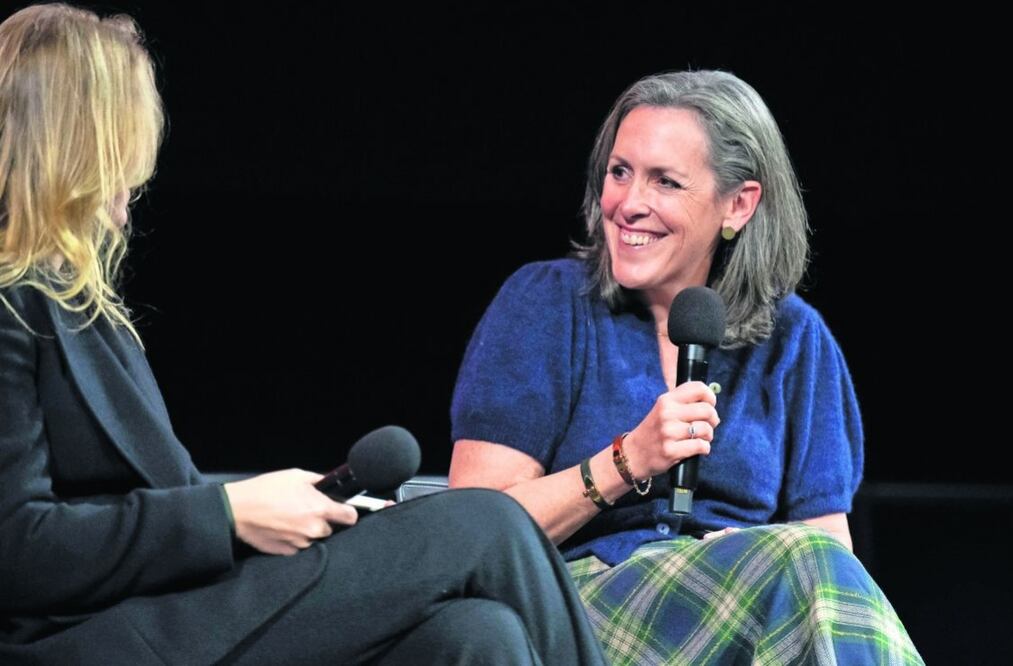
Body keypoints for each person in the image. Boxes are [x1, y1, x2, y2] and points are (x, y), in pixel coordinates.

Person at [0, 5, 607, 664]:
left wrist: (276, 511)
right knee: (488, 522)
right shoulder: (10, 305)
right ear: (78, 145)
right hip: (95, 637)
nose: (133, 181)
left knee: (475, 634)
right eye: (124, 147)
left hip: (174, 605)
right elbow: (16, 546)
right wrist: (227, 514)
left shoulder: (74, 302)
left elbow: (135, 498)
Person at [450, 69, 923, 664]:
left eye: (665, 182)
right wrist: (625, 461)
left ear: (738, 205)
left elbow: (831, 550)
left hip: (752, 616)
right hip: (574, 606)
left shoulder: (795, 339)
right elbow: (470, 533)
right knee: (798, 564)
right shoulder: (546, 305)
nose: (629, 203)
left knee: (806, 566)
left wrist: (746, 556)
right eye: (619, 172)